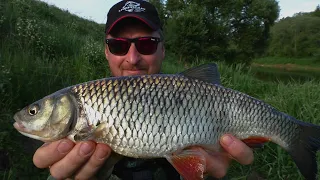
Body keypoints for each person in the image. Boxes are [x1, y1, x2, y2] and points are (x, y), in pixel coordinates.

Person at [33, 0, 254, 179]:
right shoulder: (88, 101)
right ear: (106, 52)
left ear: (163, 50)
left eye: (146, 44)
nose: (132, 58)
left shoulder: (199, 94)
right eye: (118, 45)